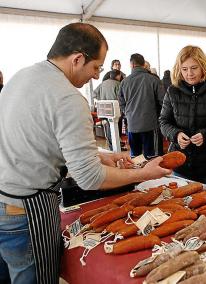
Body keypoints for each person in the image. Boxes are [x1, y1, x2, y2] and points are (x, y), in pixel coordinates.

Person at [0, 23, 171, 284]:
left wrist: (101, 157)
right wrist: (144, 173)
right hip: (26, 208)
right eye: (96, 67)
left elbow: (39, 141)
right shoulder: (68, 98)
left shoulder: (23, 76)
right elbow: (89, 178)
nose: (95, 76)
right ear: (77, 58)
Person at [159, 46, 206, 188]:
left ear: (203, 67)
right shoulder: (172, 91)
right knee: (182, 204)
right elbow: (164, 122)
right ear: (178, 69)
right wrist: (176, 134)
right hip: (180, 163)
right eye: (184, 69)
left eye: (194, 68)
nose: (189, 74)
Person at [119, 53, 164, 158]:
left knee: (136, 157)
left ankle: (139, 174)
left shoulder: (124, 82)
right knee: (153, 157)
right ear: (144, 64)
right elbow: (163, 101)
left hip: (132, 125)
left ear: (132, 65)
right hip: (150, 124)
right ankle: (153, 175)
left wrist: (128, 113)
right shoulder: (154, 80)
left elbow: (121, 102)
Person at [93, 70, 122, 150]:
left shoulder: (103, 83)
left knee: (108, 130)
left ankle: (111, 148)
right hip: (115, 110)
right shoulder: (118, 84)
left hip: (104, 111)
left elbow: (93, 94)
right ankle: (117, 148)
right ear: (118, 76)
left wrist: (101, 100)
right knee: (115, 130)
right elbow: (121, 97)